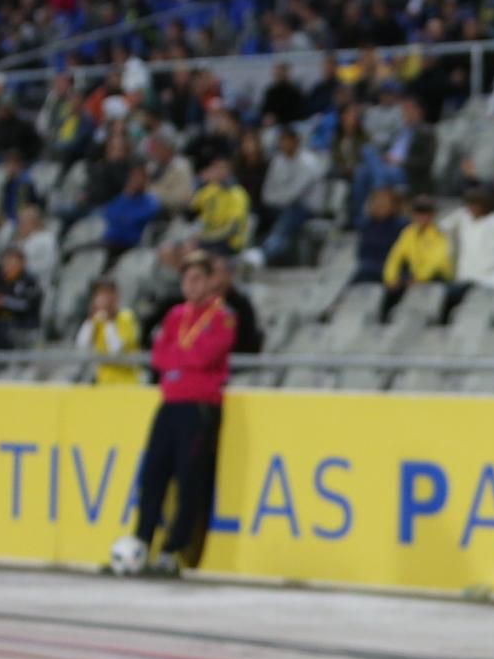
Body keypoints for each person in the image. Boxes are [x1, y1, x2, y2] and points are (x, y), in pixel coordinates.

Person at [121, 254, 236, 576]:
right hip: (169, 402)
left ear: (210, 281)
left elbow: (205, 356)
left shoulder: (222, 317)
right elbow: (158, 356)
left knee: (189, 478)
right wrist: (181, 358)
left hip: (198, 405)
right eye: (186, 279)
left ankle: (174, 551)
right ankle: (141, 543)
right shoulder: (175, 315)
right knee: (153, 474)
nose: (191, 285)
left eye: (198, 279)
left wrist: (179, 359)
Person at [243, 127, 325, 269]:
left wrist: (278, 197)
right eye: (281, 141)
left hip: (307, 208)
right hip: (280, 206)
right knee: (255, 210)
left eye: (287, 141)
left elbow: (293, 194)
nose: (284, 144)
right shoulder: (278, 161)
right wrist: (278, 198)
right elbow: (266, 193)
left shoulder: (308, 162)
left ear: (296, 141)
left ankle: (264, 254)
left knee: (291, 212)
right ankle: (247, 251)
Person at [440, 188, 494, 319]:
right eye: (470, 205)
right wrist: (461, 212)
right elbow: (443, 227)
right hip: (470, 279)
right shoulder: (465, 217)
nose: (472, 209)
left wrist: (474, 278)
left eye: (476, 205)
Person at [381, 196, 452, 320]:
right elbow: (395, 256)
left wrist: (419, 278)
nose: (422, 217)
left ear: (432, 215)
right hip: (415, 275)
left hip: (437, 276)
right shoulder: (408, 232)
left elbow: (437, 261)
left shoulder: (439, 234)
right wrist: (390, 277)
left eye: (426, 213)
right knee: (392, 290)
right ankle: (385, 321)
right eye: (419, 213)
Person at [0, 248, 43, 350]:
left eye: (12, 263)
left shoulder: (30, 281)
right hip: (6, 315)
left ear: (22, 263)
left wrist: (5, 301)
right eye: (6, 264)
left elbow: (27, 306)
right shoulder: (1, 280)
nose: (8, 267)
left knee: (1, 326)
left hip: (24, 320)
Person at [76, 278, 143, 385]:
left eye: (107, 295)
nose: (103, 300)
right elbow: (81, 346)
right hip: (103, 383)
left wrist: (109, 321)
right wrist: (90, 320)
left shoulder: (126, 317)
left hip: (127, 383)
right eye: (100, 295)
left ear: (115, 297)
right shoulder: (97, 320)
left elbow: (115, 350)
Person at [351, 188, 406, 285]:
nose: (380, 205)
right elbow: (363, 254)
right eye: (377, 202)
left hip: (395, 272)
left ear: (393, 205)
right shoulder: (366, 225)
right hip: (370, 271)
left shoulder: (402, 226)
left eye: (384, 203)